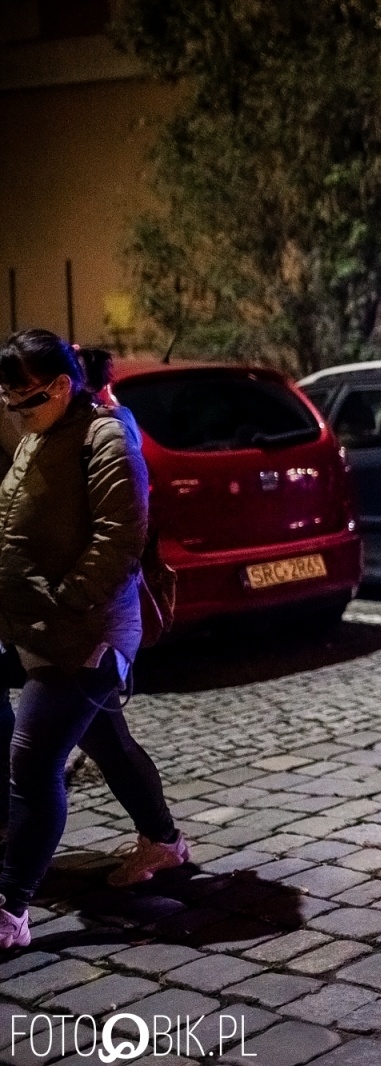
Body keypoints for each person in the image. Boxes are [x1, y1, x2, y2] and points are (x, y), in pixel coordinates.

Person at [0, 329, 189, 950]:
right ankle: (162, 842)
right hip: (42, 627)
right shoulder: (42, 435)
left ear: (59, 386)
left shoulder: (105, 435)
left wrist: (67, 602)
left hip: (85, 633)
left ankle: (10, 908)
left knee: (31, 764)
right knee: (105, 740)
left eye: (23, 399)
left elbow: (121, 536)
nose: (14, 412)